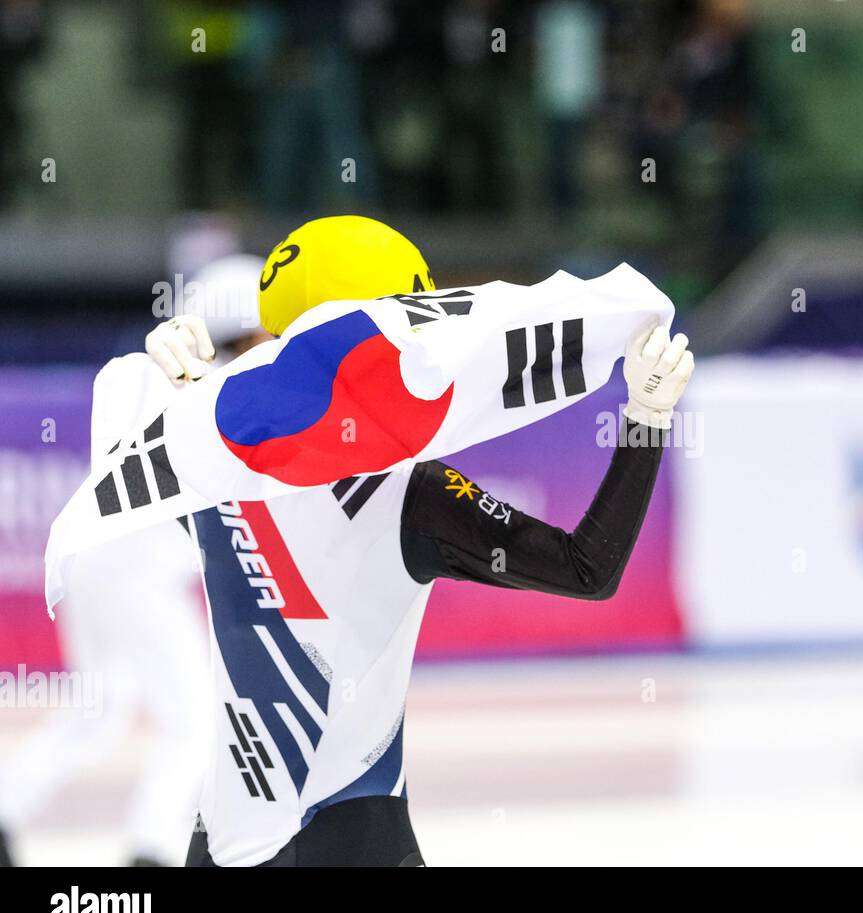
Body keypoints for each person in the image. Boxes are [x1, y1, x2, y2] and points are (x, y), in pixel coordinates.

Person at [137, 216, 693, 866]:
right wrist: (647, 418)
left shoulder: (205, 451)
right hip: (358, 836)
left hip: (227, 843)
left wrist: (158, 388)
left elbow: (135, 503)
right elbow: (587, 569)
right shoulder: (409, 491)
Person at [0, 255, 267, 867]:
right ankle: (150, 850)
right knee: (196, 723)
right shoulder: (225, 391)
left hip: (93, 554)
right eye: (268, 330)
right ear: (240, 331)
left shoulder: (162, 376)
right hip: (138, 569)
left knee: (99, 710)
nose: (276, 342)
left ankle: (5, 810)